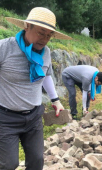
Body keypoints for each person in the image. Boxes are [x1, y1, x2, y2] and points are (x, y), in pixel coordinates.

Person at [0, 7, 72, 170]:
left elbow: (46, 75)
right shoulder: (4, 48)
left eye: (49, 35)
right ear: (27, 26)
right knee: (9, 164)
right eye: (41, 33)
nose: (45, 39)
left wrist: (55, 100)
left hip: (33, 117)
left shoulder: (45, 52)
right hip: (5, 119)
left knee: (37, 161)